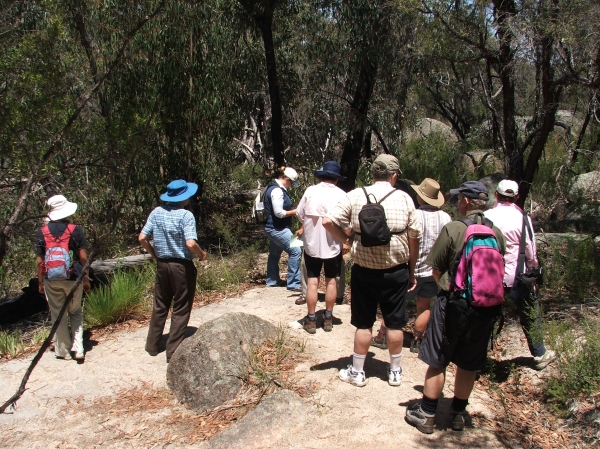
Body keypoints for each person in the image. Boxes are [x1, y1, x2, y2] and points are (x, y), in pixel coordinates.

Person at [405, 180, 506, 434]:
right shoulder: (496, 232)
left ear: (467, 201)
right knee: (468, 362)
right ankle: (458, 414)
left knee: (438, 359)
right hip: (484, 307)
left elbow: (436, 267)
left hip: (452, 304)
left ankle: (427, 414)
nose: (457, 202)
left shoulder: (454, 229)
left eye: (459, 198)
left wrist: (448, 289)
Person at [323, 154, 421, 387]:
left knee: (364, 323)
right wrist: (412, 270)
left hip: (364, 271)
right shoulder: (405, 198)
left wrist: (345, 241)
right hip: (396, 271)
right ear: (394, 175)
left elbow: (328, 221)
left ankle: (357, 372)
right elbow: (414, 236)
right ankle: (395, 371)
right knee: (395, 322)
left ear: (373, 173)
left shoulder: (356, 195)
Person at [371, 179, 451, 352]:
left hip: (410, 268)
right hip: (432, 271)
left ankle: (382, 336)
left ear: (420, 197)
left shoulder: (414, 214)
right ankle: (416, 340)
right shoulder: (446, 217)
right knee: (424, 305)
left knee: (393, 303)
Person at [484, 180, 555, 370]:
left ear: (496, 195)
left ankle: (477, 361)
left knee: (485, 316)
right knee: (530, 312)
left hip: (489, 276)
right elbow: (531, 251)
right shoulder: (523, 218)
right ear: (516, 197)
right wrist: (534, 272)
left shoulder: (486, 216)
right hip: (517, 276)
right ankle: (539, 354)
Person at [139, 179, 207, 363]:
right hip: (181, 266)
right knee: (181, 307)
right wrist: (201, 254)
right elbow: (190, 243)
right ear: (184, 197)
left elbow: (142, 237)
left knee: (160, 304)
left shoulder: (156, 212)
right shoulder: (186, 216)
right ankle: (173, 350)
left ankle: (152, 345)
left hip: (162, 264)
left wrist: (154, 255)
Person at [295, 161, 350, 333]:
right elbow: (347, 222)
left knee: (312, 281)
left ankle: (311, 319)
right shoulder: (342, 195)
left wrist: (308, 225)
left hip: (311, 245)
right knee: (331, 281)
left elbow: (299, 213)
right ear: (336, 179)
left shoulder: (310, 191)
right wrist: (345, 240)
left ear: (321, 175)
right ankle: (328, 318)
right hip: (333, 246)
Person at [36, 195, 91, 361]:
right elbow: (82, 256)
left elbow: (39, 260)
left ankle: (64, 351)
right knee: (75, 312)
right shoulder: (75, 230)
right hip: (73, 277)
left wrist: (40, 282)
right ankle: (79, 348)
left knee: (58, 314)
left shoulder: (43, 232)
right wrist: (86, 277)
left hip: (51, 279)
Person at [263, 166, 302, 291]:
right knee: (296, 250)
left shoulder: (274, 188)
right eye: (291, 182)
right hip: (277, 228)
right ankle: (294, 283)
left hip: (275, 227)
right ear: (286, 179)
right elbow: (279, 213)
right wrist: (295, 211)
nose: (291, 185)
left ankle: (272, 280)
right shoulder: (277, 191)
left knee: (275, 253)